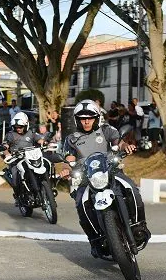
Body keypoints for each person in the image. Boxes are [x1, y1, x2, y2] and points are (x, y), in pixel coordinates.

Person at [59, 99, 148, 259]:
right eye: (82, 118)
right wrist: (66, 170)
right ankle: (95, 241)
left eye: (90, 117)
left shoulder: (106, 130)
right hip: (86, 179)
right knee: (81, 203)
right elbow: (69, 159)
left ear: (96, 117)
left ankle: (138, 225)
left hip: (110, 171)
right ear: (76, 119)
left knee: (131, 188)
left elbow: (118, 142)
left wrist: (125, 147)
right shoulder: (71, 139)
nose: (86, 121)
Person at [1, 112, 44, 206]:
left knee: (46, 166)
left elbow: (39, 140)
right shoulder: (11, 135)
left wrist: (43, 143)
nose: (18, 129)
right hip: (16, 160)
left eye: (20, 126)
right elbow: (5, 145)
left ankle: (46, 187)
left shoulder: (31, 133)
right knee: (15, 177)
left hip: (31, 157)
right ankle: (18, 196)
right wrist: (7, 153)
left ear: (26, 125)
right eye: (16, 127)